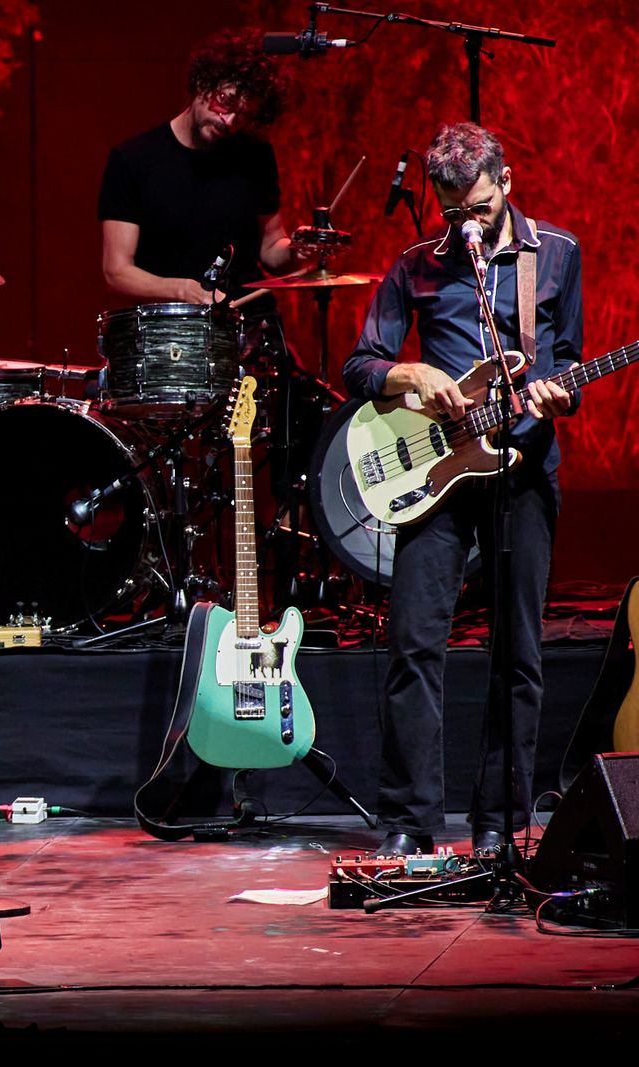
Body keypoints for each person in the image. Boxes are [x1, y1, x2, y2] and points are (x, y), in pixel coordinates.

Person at [342, 122, 581, 858]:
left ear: (506, 182)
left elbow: (568, 361)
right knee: (414, 643)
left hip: (522, 466)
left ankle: (500, 820)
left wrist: (558, 397)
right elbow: (360, 365)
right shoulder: (415, 265)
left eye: (477, 208)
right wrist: (408, 373)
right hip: (435, 474)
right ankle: (409, 820)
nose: (466, 225)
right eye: (452, 212)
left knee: (519, 652)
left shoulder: (556, 254)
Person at [99, 28, 298, 304]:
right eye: (225, 102)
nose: (229, 121)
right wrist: (182, 290)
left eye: (243, 115)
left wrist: (299, 249)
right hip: (173, 324)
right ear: (203, 82)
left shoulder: (256, 155)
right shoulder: (132, 160)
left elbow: (272, 248)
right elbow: (117, 272)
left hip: (246, 319)